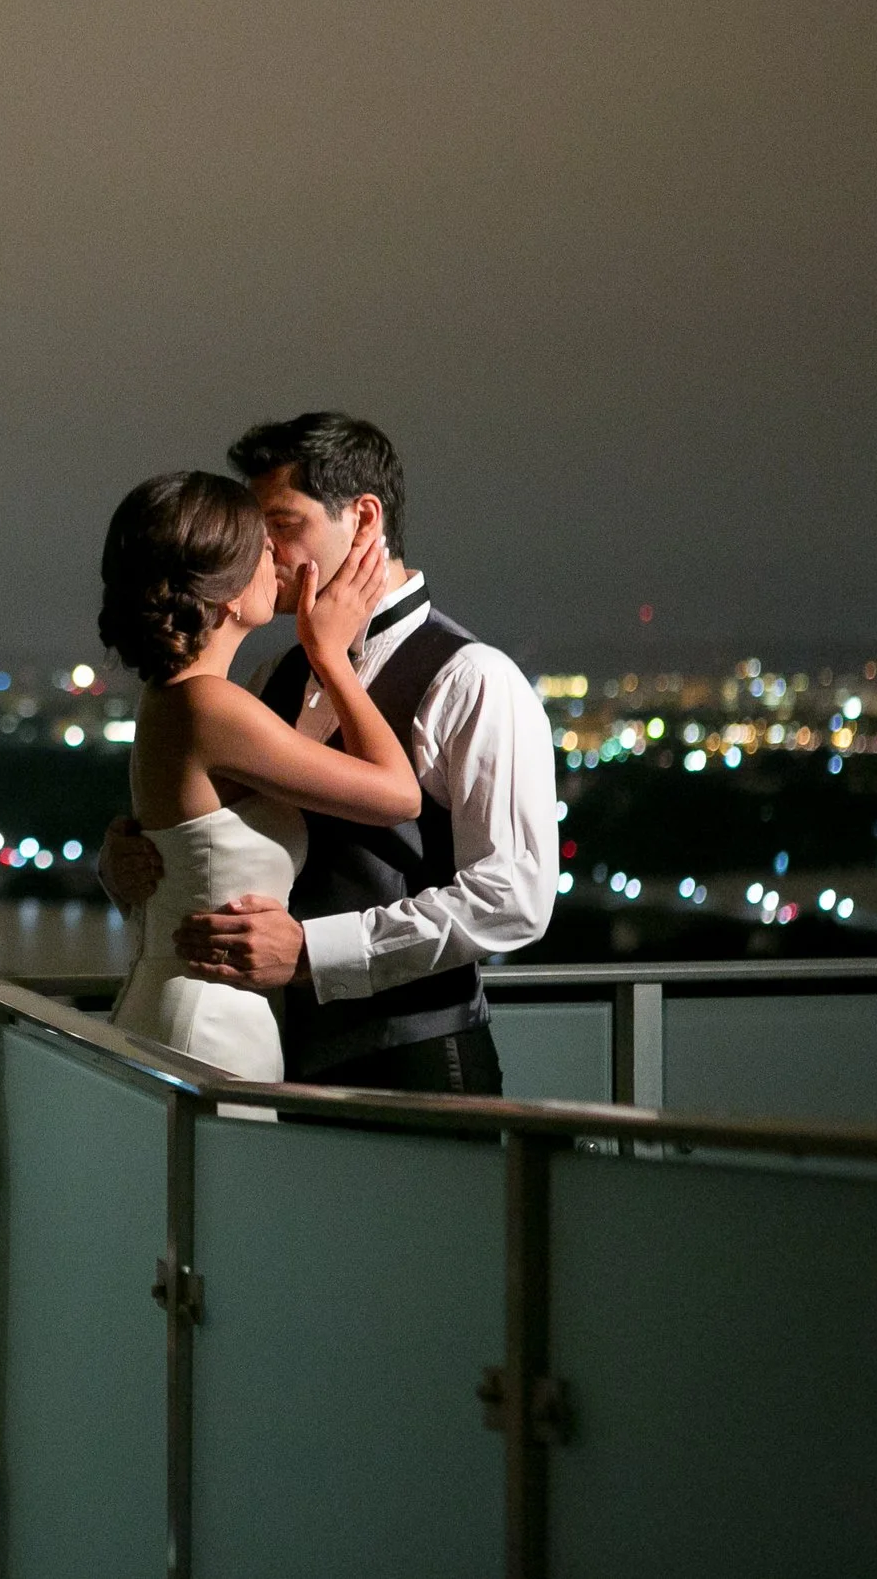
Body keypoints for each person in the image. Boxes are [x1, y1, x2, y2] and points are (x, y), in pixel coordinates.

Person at [100, 414, 559, 1096]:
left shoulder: (472, 676)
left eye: (282, 525)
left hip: (417, 1056)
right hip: (277, 1052)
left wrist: (314, 951)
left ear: (365, 518)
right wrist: (130, 862)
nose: (265, 551)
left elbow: (515, 897)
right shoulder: (269, 678)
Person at [96, 470, 422, 1098]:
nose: (279, 560)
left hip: (189, 1009)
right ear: (224, 593)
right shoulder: (211, 706)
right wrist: (329, 654)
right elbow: (398, 794)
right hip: (208, 1025)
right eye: (262, 549)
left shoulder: (174, 700)